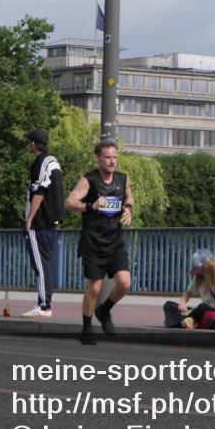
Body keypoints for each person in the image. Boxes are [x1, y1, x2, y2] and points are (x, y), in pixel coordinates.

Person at [65, 139, 134, 344]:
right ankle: (87, 328)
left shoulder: (123, 179)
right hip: (93, 242)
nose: (112, 161)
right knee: (94, 288)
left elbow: (130, 196)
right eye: (107, 157)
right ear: (97, 158)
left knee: (124, 283)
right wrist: (91, 206)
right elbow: (68, 203)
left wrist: (128, 208)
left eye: (115, 157)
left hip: (115, 240)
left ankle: (104, 311)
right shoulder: (89, 180)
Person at [23, 129, 64, 318]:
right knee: (46, 263)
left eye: (29, 142)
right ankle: (46, 303)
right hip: (51, 220)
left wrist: (29, 219)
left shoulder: (40, 162)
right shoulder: (53, 162)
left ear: (33, 144)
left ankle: (44, 305)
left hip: (39, 222)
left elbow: (38, 192)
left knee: (40, 264)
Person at [178, 249, 215, 328]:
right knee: (168, 305)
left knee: (202, 307)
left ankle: (187, 320)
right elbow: (188, 292)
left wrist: (200, 310)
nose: (195, 268)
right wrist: (182, 303)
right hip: (202, 310)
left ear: (207, 265)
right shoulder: (199, 277)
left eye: (197, 266)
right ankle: (189, 320)